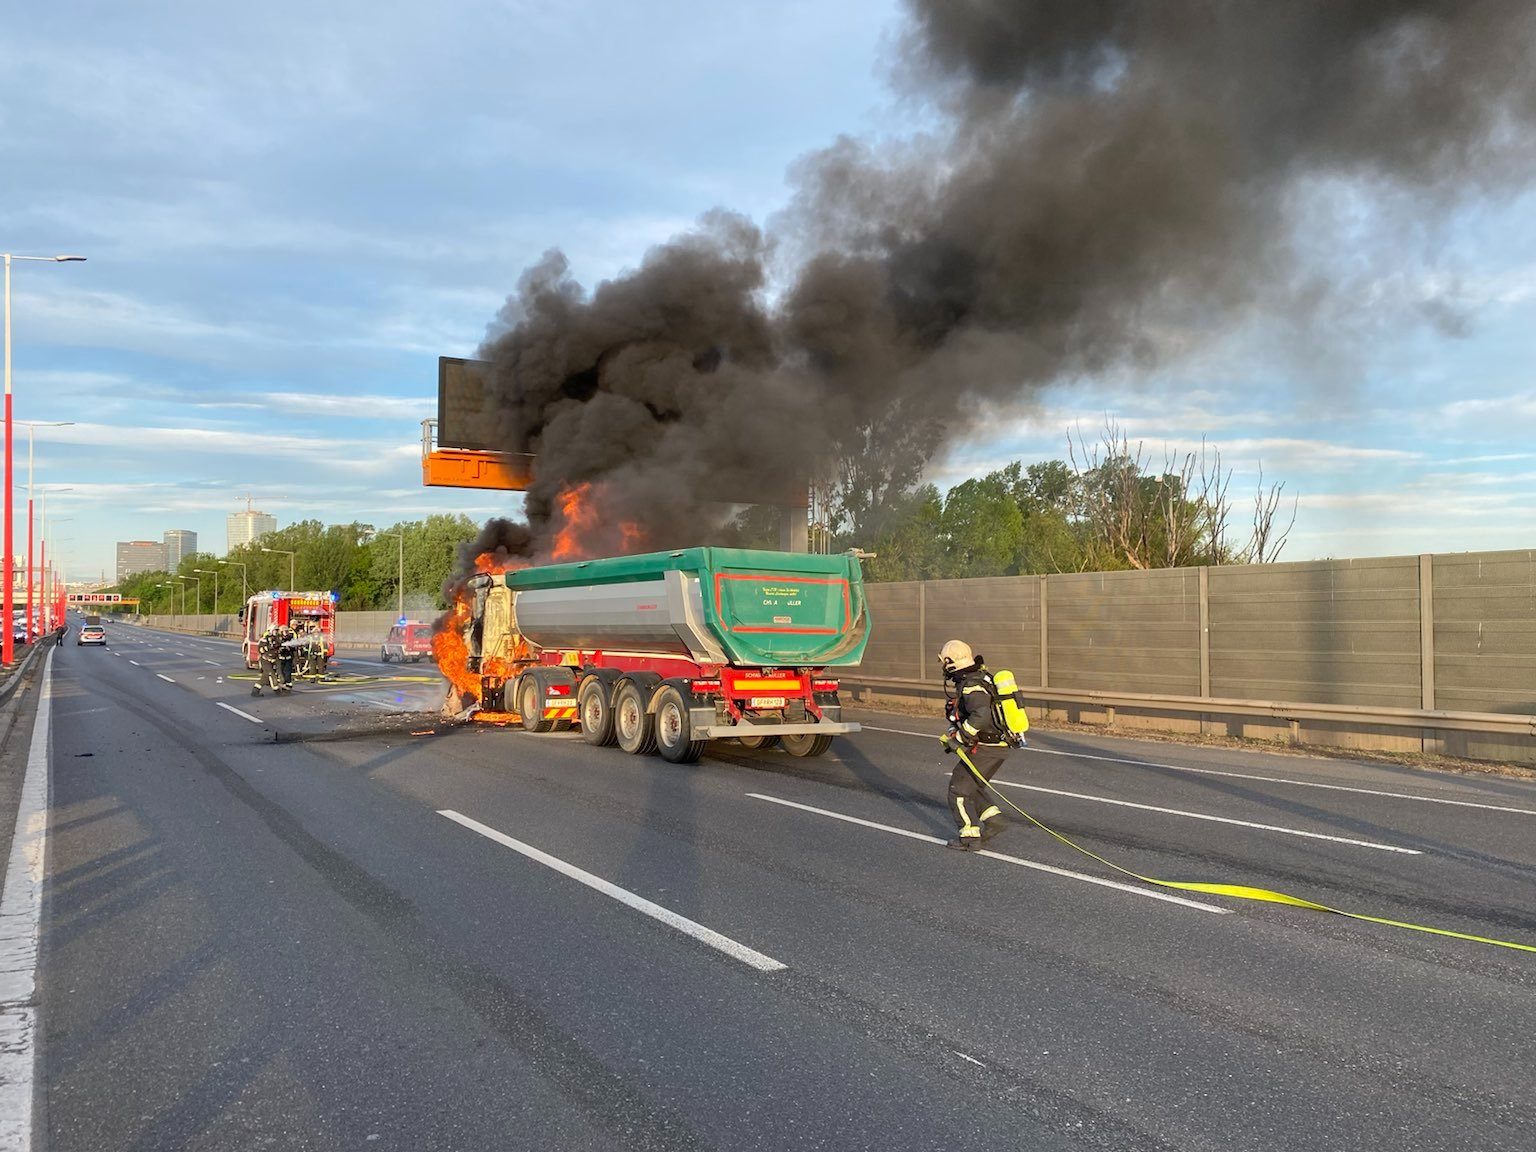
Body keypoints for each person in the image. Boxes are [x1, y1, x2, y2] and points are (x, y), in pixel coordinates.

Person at [938, 639, 1010, 851]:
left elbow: (981, 716)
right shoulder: (980, 676)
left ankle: (969, 838)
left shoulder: (971, 686)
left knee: (958, 790)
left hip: (988, 748)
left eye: (944, 661)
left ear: (950, 662)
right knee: (972, 786)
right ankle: (994, 821)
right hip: (997, 746)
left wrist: (960, 737)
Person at [252, 624, 286, 696]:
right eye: (275, 630)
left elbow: (279, 649)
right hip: (265, 660)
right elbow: (260, 650)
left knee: (265, 677)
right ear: (271, 631)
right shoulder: (264, 639)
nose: (276, 632)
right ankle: (277, 691)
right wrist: (269, 647)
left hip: (275, 660)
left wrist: (280, 648)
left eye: (277, 630)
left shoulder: (277, 639)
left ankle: (255, 691)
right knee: (271, 675)